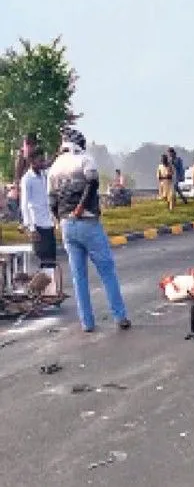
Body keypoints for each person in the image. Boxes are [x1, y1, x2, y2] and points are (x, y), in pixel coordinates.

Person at [47, 127, 131, 333]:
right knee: (107, 271)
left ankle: (87, 323)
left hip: (67, 225)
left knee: (79, 277)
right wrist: (80, 208)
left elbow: (51, 201)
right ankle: (119, 316)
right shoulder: (85, 159)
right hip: (88, 222)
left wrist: (61, 219)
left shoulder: (54, 167)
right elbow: (92, 184)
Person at [20, 148, 56, 268]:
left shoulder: (44, 176)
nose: (42, 163)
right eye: (39, 161)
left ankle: (52, 286)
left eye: (43, 160)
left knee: (52, 261)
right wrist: (30, 228)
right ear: (32, 161)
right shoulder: (27, 179)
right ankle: (41, 286)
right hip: (37, 225)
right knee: (43, 261)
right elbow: (24, 204)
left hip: (49, 224)